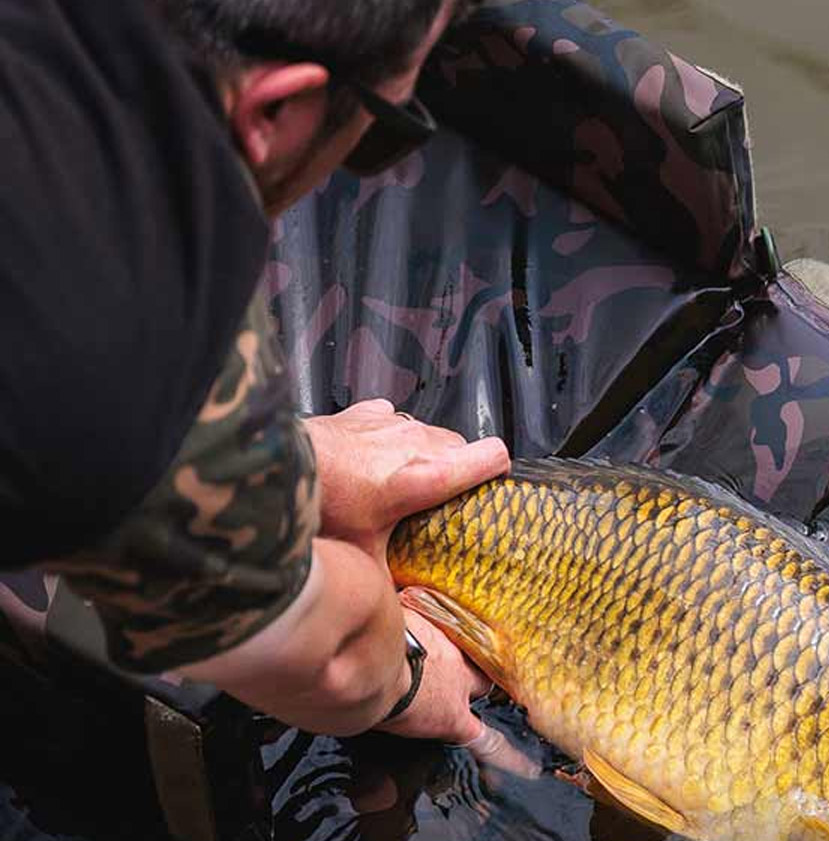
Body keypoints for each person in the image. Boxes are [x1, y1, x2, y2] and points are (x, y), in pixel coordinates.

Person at [0, 0, 513, 756]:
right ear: (276, 106)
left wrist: (292, 457)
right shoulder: (126, 336)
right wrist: (407, 671)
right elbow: (325, 658)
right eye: (387, 129)